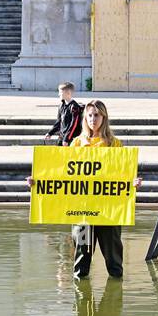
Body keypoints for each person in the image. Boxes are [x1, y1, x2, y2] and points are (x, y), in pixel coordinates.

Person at [58, 100, 141, 280]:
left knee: (114, 261)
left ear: (104, 117)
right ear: (85, 118)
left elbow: (123, 175)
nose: (93, 119)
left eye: (97, 115)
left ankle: (113, 303)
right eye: (90, 115)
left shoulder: (114, 144)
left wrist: (132, 183)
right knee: (81, 260)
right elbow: (63, 175)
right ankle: (82, 304)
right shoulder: (77, 144)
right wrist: (38, 182)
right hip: (82, 210)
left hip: (109, 210)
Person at [44, 82, 84, 146]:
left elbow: (74, 125)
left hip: (71, 139)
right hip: (62, 137)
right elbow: (58, 122)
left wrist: (67, 138)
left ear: (68, 93)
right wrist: (50, 133)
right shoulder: (61, 105)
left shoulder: (74, 107)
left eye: (61, 92)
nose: (58, 94)